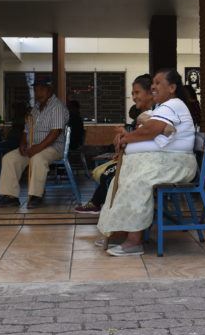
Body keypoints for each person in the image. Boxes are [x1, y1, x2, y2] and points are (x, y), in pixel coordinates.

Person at [96, 69, 198, 256]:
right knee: (122, 180)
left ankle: (134, 242)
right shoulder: (162, 108)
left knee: (138, 181)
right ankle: (118, 231)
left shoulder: (174, 104)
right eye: (153, 83)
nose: (153, 86)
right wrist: (126, 138)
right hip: (165, 162)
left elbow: (150, 130)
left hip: (177, 165)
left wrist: (126, 138)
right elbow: (150, 131)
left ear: (172, 88)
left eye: (159, 83)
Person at [75, 74, 154, 216]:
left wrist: (124, 138)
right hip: (136, 159)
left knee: (109, 174)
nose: (134, 97)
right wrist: (123, 139)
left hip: (144, 163)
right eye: (132, 93)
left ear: (149, 93)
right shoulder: (144, 115)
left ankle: (104, 207)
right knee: (106, 172)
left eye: (137, 92)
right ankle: (101, 205)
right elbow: (138, 138)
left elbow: (145, 139)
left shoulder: (152, 116)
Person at [0, 79, 68, 209]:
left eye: (42, 89)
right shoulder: (35, 109)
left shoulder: (57, 107)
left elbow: (55, 132)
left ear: (50, 90)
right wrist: (23, 144)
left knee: (38, 158)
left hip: (52, 148)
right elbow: (26, 130)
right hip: (32, 147)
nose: (38, 93)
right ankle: (10, 196)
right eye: (36, 89)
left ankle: (35, 196)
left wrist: (37, 148)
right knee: (9, 158)